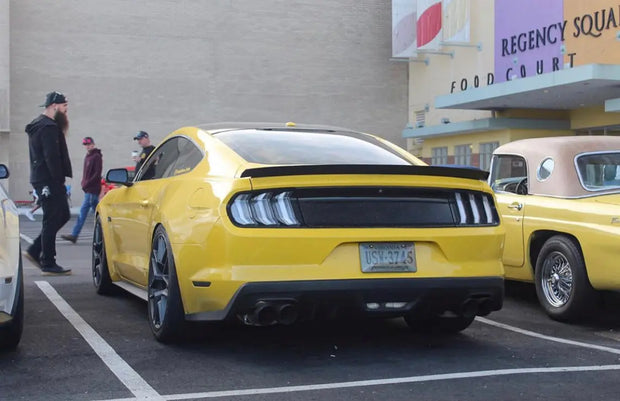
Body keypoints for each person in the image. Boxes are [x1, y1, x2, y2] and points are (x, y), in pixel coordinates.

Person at [23, 91, 73, 275]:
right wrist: (58, 180)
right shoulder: (48, 127)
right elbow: (51, 156)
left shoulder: (40, 124)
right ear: (54, 106)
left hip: (43, 179)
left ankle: (36, 251)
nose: (66, 111)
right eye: (64, 107)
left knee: (63, 215)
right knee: (52, 218)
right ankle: (48, 262)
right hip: (49, 180)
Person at [61, 137, 102, 244]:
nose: (87, 146)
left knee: (83, 213)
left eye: (89, 144)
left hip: (92, 190)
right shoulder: (88, 157)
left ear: (93, 144)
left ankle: (74, 235)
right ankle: (105, 231)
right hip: (88, 189)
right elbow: (86, 174)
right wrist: (83, 182)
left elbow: (97, 174)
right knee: (98, 213)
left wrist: (87, 183)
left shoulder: (96, 157)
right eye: (85, 145)